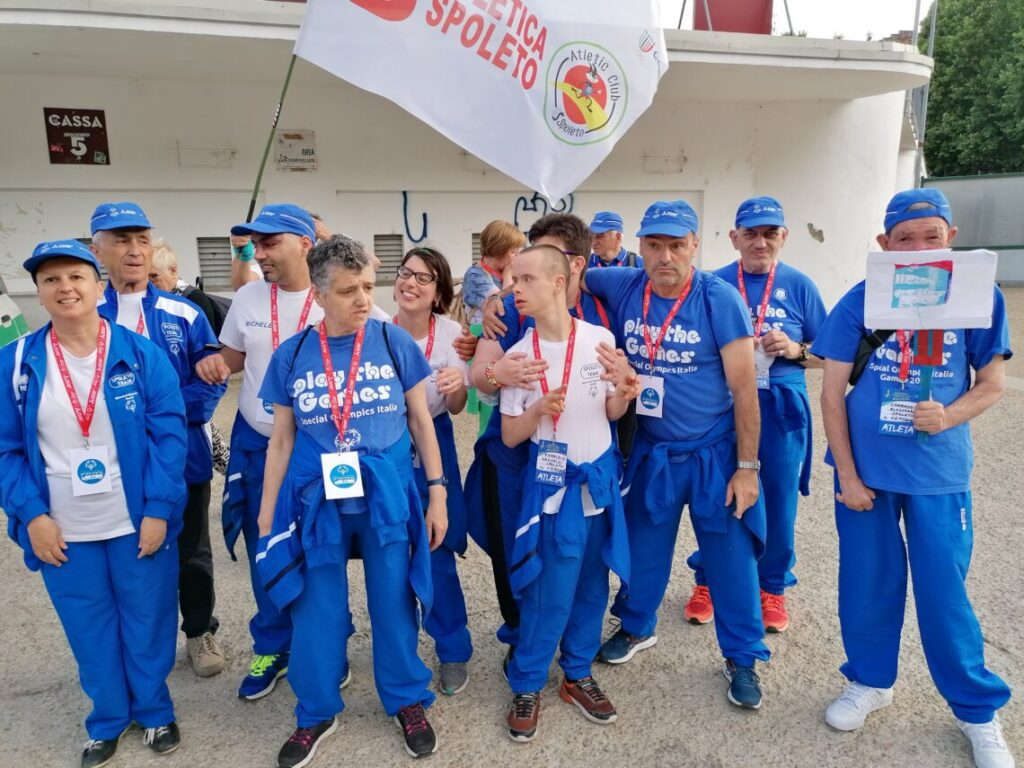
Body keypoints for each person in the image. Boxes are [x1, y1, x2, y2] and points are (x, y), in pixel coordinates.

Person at [813, 188, 1015, 768]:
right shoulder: (861, 300)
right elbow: (831, 394)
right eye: (905, 239)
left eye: (932, 236)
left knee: (944, 592)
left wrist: (948, 415)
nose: (920, 247)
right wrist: (847, 474)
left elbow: (992, 384)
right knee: (867, 583)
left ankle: (976, 711)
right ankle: (870, 681)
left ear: (951, 238)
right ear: (885, 244)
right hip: (867, 475)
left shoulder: (979, 297)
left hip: (938, 474)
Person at [255, 235, 447, 766]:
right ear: (318, 294)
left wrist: (436, 492)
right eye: (347, 290)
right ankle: (316, 710)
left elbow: (421, 421)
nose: (363, 299)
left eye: (367, 286)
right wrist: (268, 513)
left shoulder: (392, 341)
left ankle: (406, 699)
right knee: (316, 608)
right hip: (317, 502)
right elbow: (281, 441)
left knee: (393, 602)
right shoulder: (292, 354)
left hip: (386, 497)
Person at [0, 240, 187, 768]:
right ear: (38, 292)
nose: (65, 288)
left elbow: (170, 437)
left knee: (147, 618)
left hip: (134, 520)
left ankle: (154, 711)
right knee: (88, 627)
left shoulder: (140, 353)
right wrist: (32, 515)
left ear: (98, 286)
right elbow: (5, 449)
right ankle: (107, 718)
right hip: (62, 528)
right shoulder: (15, 362)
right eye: (51, 280)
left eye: (76, 277)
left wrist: (158, 509)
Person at [586, 200, 771, 710]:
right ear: (639, 247)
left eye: (676, 245)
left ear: (694, 245)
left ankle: (742, 656)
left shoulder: (718, 299)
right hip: (654, 452)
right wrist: (500, 299)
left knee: (730, 560)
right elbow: (564, 271)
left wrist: (747, 468)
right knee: (644, 549)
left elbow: (745, 389)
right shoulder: (621, 284)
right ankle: (636, 625)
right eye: (654, 245)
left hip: (714, 452)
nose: (665, 256)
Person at [466, 213, 614, 677]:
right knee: (523, 554)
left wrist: (625, 388)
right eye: (519, 270)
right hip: (521, 459)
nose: (517, 284)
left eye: (537, 265)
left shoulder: (602, 311)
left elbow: (612, 395)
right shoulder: (511, 311)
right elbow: (479, 376)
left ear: (573, 266)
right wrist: (498, 374)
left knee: (587, 566)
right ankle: (524, 644)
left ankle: (576, 659)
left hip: (586, 461)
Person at [499, 245, 636, 742]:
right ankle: (528, 682)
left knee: (593, 584)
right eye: (514, 279)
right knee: (548, 591)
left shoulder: (600, 339)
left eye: (527, 279)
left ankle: (577, 673)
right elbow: (510, 436)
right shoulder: (519, 357)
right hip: (554, 488)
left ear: (559, 283)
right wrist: (538, 411)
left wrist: (624, 392)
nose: (515, 288)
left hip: (597, 482)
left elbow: (611, 412)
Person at [90, 202, 228, 679]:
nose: (134, 250)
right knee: (130, 552)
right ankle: (144, 640)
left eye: (142, 240)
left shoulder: (184, 312)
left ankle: (199, 631)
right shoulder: (88, 318)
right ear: (98, 251)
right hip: (113, 463)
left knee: (192, 550)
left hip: (183, 457)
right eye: (121, 240)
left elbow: (211, 385)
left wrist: (152, 416)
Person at [195, 203, 323, 699]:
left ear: (305, 244)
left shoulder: (331, 295)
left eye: (270, 243)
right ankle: (273, 645)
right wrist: (214, 364)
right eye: (256, 244)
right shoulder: (249, 296)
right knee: (262, 543)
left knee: (320, 544)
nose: (259, 253)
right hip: (254, 441)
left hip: (314, 445)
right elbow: (234, 356)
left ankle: (324, 644)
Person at [684, 197, 826, 632]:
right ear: (734, 238)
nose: (760, 242)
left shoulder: (800, 285)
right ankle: (709, 579)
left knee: (779, 500)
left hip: (781, 407)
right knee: (718, 494)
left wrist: (795, 350)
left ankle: (772, 587)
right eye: (751, 234)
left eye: (770, 233)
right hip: (726, 405)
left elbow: (828, 354)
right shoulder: (713, 284)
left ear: (784, 237)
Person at [390, 246, 473, 696]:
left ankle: (453, 649)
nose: (410, 283)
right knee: (389, 552)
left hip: (435, 441)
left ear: (439, 292)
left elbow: (456, 407)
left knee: (437, 547)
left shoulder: (452, 334)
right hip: (387, 445)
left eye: (423, 278)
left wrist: (458, 385)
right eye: (405, 273)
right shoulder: (378, 329)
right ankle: (399, 653)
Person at [150, 239, 231, 337]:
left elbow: (207, 342)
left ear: (173, 271)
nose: (148, 283)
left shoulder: (194, 299)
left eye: (153, 276)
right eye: (144, 278)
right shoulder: (150, 300)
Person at [461, 220, 524, 326]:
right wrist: (508, 274)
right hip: (482, 333)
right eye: (513, 252)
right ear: (498, 249)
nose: (517, 256)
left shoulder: (504, 271)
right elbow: (504, 310)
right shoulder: (475, 276)